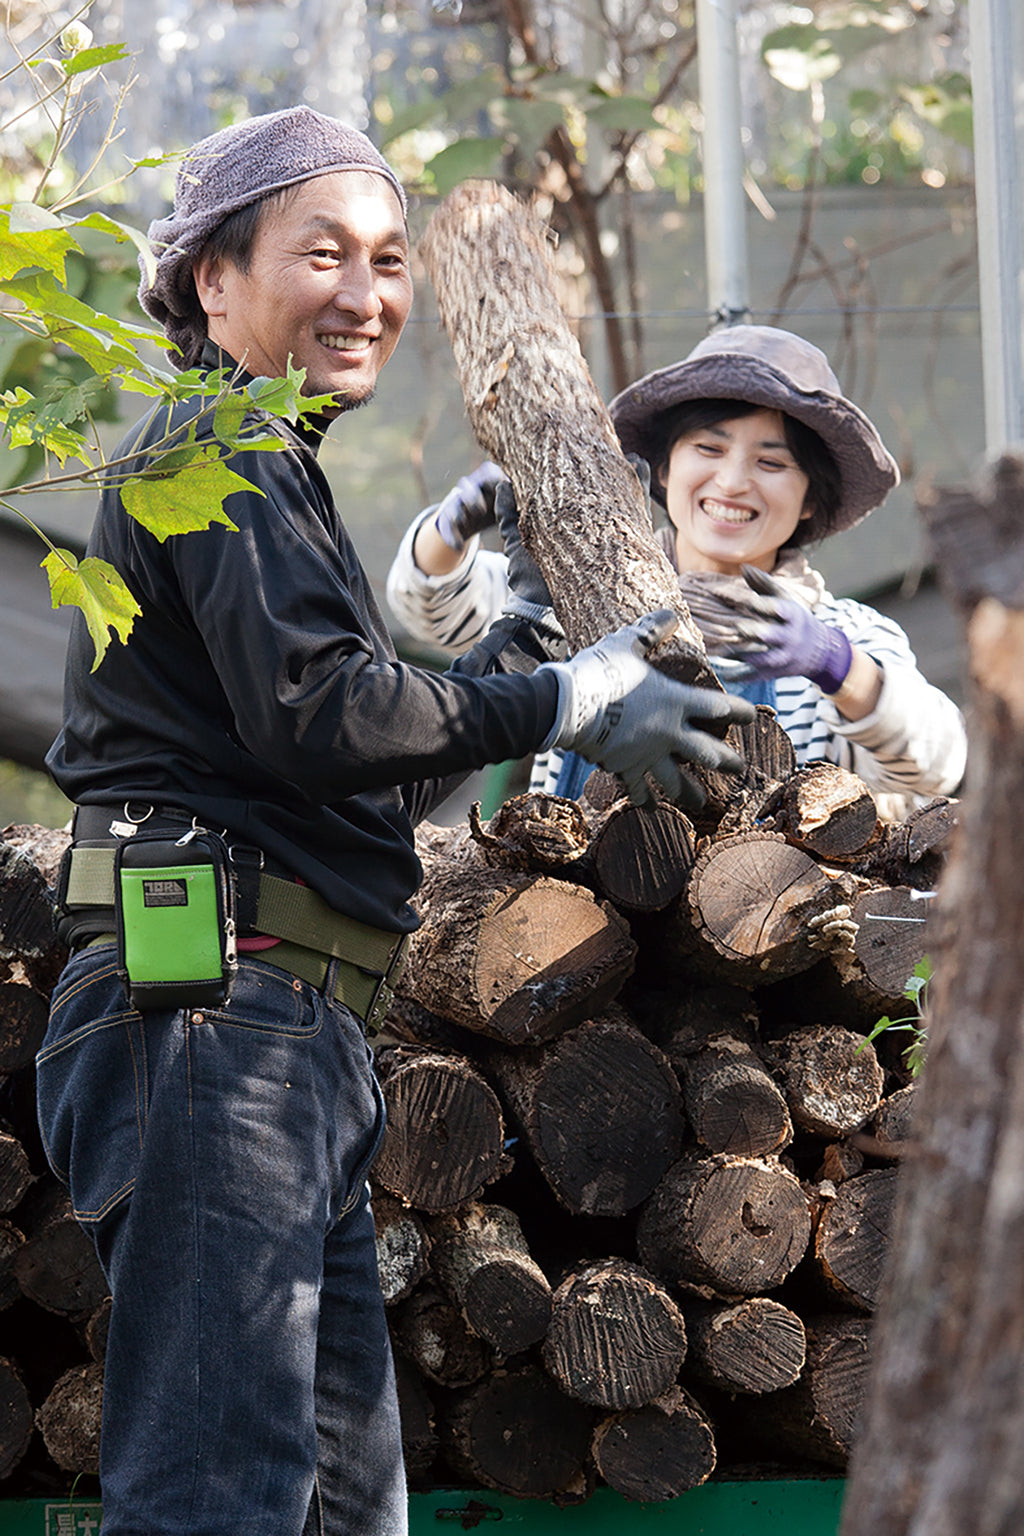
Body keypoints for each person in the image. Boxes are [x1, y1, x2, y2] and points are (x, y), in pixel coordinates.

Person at [36, 107, 753, 1536]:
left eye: (387, 258)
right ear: (211, 279)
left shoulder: (274, 474)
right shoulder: (214, 446)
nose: (366, 293)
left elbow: (347, 776)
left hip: (278, 1027)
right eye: (323, 254)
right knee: (218, 1504)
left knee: (338, 1510)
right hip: (212, 1015)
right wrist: (563, 699)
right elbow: (321, 716)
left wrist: (512, 661)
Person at [387, 324, 967, 817]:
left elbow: (939, 764)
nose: (732, 482)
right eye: (708, 450)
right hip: (563, 909)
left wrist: (837, 665)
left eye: (771, 463)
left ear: (811, 498)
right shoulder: (582, 594)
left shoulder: (848, 634)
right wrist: (453, 523)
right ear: (663, 469)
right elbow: (430, 606)